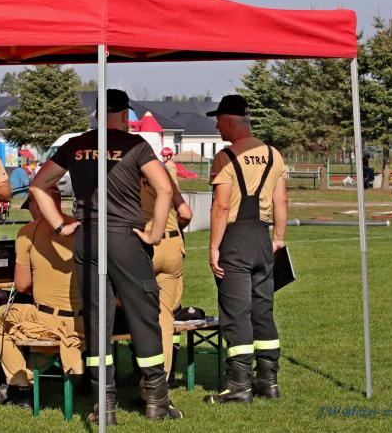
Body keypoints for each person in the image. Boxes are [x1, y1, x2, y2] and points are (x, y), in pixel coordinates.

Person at [30, 89, 182, 423]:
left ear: (98, 114)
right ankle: (156, 400)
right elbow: (165, 188)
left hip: (87, 238)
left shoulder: (76, 145)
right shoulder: (135, 145)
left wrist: (59, 225)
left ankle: (104, 406)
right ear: (125, 114)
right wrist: (155, 233)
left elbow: (38, 185)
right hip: (125, 238)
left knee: (98, 321)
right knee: (144, 316)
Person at [203, 95, 288, 405]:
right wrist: (278, 237)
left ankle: (239, 386)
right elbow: (281, 200)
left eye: (218, 121)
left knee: (236, 313)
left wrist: (214, 247)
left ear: (229, 121)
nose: (216, 126)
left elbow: (221, 206)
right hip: (263, 239)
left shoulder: (225, 157)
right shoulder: (273, 155)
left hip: (236, 241)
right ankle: (269, 381)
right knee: (263, 310)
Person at [0, 186, 84, 409]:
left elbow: (22, 285)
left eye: (30, 205)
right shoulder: (83, 229)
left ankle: (21, 386)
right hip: (85, 322)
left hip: (49, 321)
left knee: (0, 317)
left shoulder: (28, 232)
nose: (30, 211)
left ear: (37, 203)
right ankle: (26, 380)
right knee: (37, 333)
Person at [141, 148, 193, 380]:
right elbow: (186, 214)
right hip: (172, 246)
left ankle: (142, 372)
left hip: (145, 243)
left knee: (135, 310)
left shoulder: (129, 174)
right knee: (165, 316)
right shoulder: (165, 173)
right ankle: (162, 377)